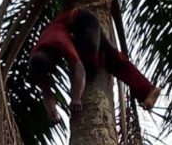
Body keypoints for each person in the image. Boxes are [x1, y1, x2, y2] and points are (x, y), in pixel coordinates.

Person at [29, 8, 160, 122]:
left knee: (90, 66)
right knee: (114, 59)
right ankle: (148, 90)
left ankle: (100, 58)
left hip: (84, 20)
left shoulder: (58, 40)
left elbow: (79, 68)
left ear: (50, 56)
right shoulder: (36, 67)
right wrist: (51, 110)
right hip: (77, 31)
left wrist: (76, 98)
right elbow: (46, 92)